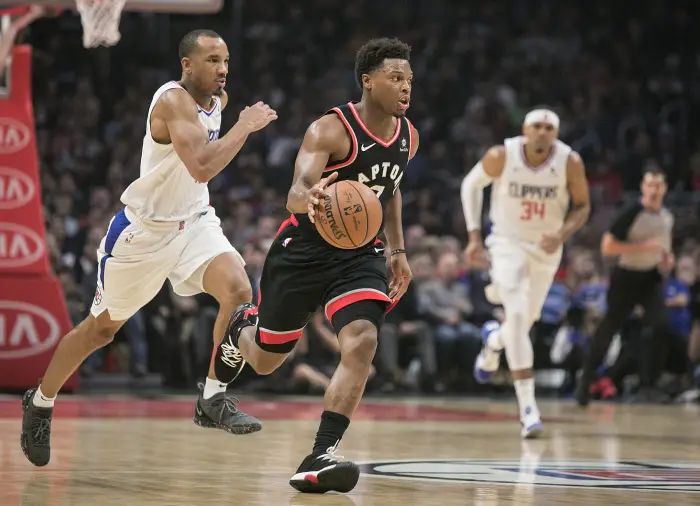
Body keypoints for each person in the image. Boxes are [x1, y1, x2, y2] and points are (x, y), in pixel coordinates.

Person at [20, 29, 277, 467]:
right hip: (144, 233)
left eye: (226, 60)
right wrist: (245, 128)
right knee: (100, 330)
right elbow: (200, 166)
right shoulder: (173, 101)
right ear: (187, 65)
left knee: (238, 291)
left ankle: (212, 397)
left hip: (194, 222)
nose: (223, 69)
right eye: (212, 60)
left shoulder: (220, 100)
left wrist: (236, 124)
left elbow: (200, 177)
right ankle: (40, 401)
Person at [209, 38, 416, 494]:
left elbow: (392, 187)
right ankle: (240, 326)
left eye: (409, 80)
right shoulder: (330, 128)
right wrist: (312, 199)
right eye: (396, 78)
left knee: (362, 340)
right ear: (368, 80)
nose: (405, 88)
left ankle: (320, 453)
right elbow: (296, 189)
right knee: (264, 361)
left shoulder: (408, 136)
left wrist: (397, 251)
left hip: (360, 254)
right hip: (303, 249)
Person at [461, 108, 591, 438]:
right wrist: (475, 236)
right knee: (518, 315)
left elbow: (583, 206)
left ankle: (493, 340)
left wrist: (562, 235)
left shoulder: (569, 161)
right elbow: (470, 186)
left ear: (556, 133)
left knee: (524, 321)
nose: (542, 132)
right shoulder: (502, 155)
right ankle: (528, 408)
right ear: (524, 129)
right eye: (537, 126)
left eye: (549, 127)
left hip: (547, 249)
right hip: (507, 243)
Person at [574, 168, 674, 406]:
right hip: (626, 276)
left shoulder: (667, 216)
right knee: (609, 329)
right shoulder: (631, 212)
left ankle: (649, 385)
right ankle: (586, 382)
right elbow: (608, 247)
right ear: (642, 187)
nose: (653, 190)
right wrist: (641, 248)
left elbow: (662, 247)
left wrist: (667, 258)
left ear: (665, 189)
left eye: (658, 185)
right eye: (649, 185)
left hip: (650, 278)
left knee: (661, 326)